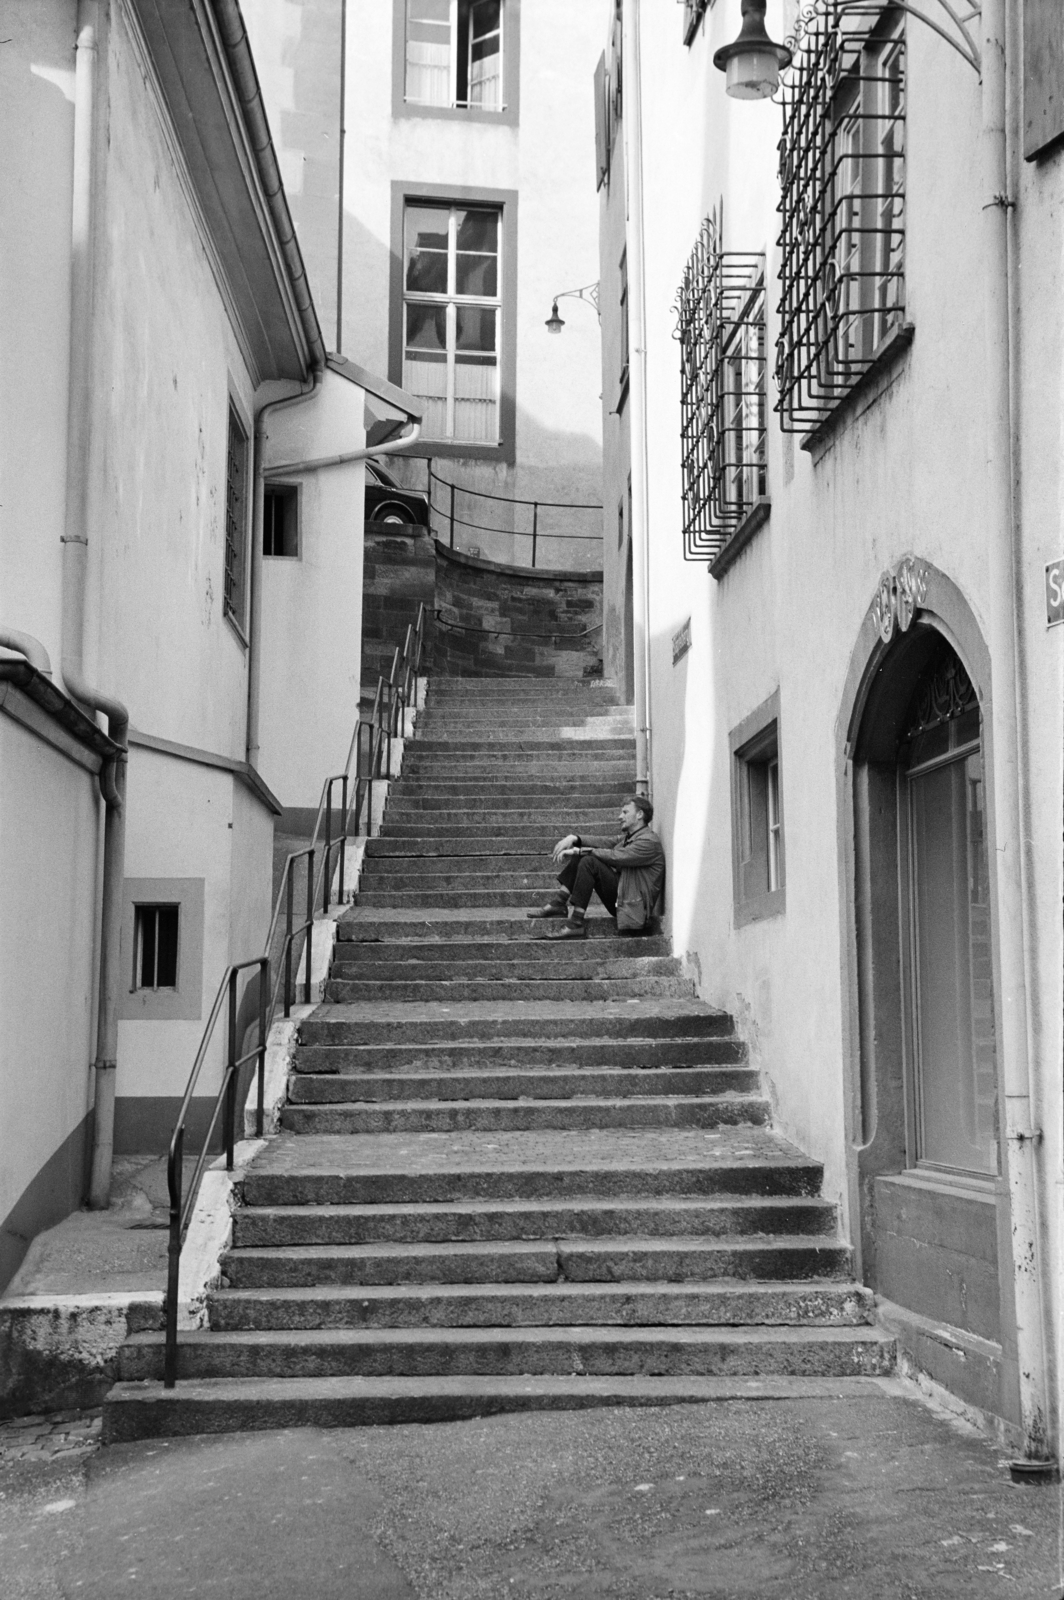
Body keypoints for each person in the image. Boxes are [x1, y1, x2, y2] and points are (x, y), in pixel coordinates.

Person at [526, 795, 665, 940]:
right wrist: (575, 839)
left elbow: (616, 856)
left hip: (634, 910)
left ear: (639, 814)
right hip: (623, 900)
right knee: (584, 852)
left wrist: (578, 850)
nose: (619, 817)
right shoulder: (632, 837)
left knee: (589, 860)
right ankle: (559, 903)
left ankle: (576, 922)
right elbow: (606, 842)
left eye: (625, 812)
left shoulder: (649, 842)